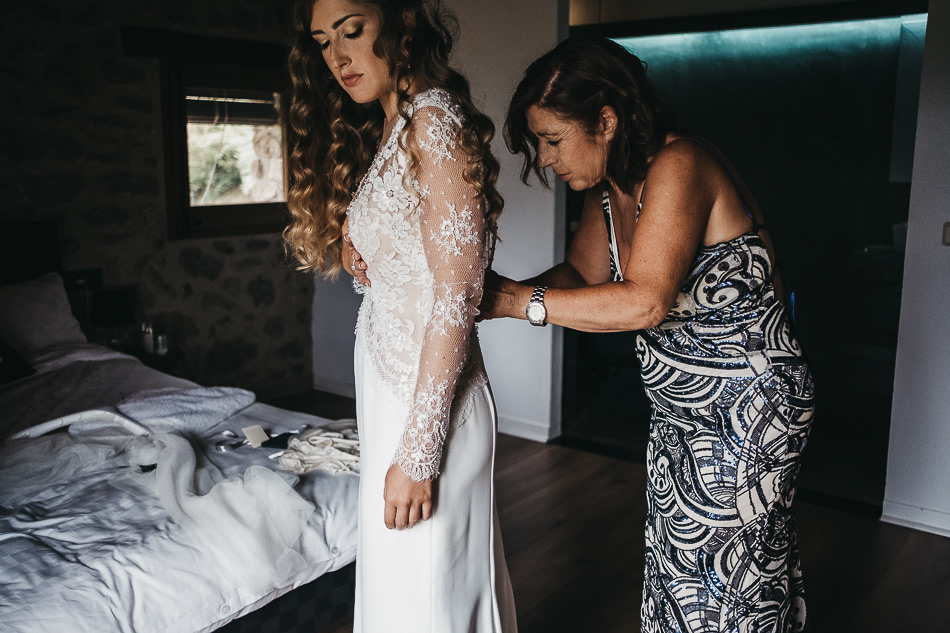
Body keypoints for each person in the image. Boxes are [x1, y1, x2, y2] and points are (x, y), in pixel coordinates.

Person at [479, 36, 814, 632]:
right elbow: (582, 276)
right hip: (680, 411)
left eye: (553, 139)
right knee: (676, 577)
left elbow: (646, 300)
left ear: (606, 121)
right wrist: (496, 294)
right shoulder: (610, 192)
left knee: (728, 589)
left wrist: (512, 301)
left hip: (749, 407)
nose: (546, 158)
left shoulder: (682, 164)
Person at [283, 1, 517, 631]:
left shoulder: (433, 120)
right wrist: (364, 253)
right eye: (323, 41)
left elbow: (457, 292)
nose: (337, 57)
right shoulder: (395, 123)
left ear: (401, 21)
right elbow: (416, 265)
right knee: (402, 596)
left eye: (352, 31)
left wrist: (418, 455)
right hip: (392, 391)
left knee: (432, 601)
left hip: (430, 406)